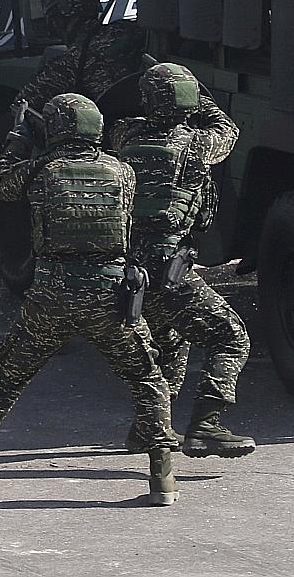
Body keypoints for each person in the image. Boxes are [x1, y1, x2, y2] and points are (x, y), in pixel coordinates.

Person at [0, 94, 182, 508]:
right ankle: (162, 475)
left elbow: (1, 183)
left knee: (1, 384)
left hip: (52, 297)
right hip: (111, 295)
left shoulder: (41, 171)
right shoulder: (122, 172)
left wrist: (20, 135)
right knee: (148, 379)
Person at [107, 63, 255, 459]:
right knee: (231, 337)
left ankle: (146, 428)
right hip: (168, 265)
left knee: (170, 343)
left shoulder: (125, 135)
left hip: (130, 267)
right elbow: (228, 127)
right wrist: (196, 95)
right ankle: (205, 426)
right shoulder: (198, 144)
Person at [17, 0, 148, 116]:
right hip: (152, 111)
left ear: (58, 22)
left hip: (113, 127)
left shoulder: (69, 62)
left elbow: (23, 105)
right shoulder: (130, 31)